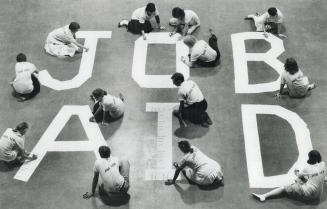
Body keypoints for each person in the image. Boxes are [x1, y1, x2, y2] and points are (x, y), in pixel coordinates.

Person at [252, 150, 327, 202]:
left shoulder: (307, 169)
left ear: (310, 158)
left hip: (308, 196)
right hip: (318, 196)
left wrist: (296, 171)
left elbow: (298, 176)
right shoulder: (323, 164)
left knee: (284, 187)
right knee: (314, 178)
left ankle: (264, 196)